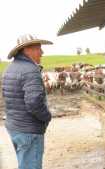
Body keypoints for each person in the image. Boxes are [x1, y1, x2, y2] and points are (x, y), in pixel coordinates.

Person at [2, 34, 53, 169]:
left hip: (15, 127)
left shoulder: (9, 69)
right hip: (29, 131)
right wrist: (47, 117)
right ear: (26, 50)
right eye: (38, 48)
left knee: (24, 163)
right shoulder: (30, 70)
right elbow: (34, 102)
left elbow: (7, 96)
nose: (42, 52)